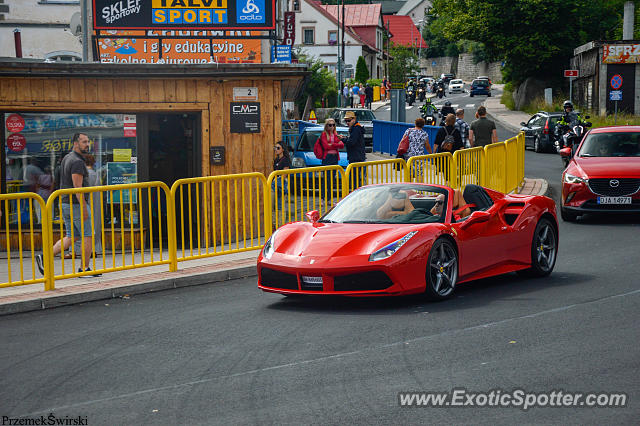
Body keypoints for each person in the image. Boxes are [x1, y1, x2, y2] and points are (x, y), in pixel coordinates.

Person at [36, 133, 100, 277]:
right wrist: (84, 207)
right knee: (88, 235)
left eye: (88, 141)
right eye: (84, 142)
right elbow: (78, 187)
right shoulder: (77, 161)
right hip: (76, 204)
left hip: (66, 203)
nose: (87, 144)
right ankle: (84, 269)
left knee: (73, 236)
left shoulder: (67, 158)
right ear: (75, 143)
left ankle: (44, 257)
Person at [339, 111, 366, 188]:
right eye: (346, 121)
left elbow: (352, 142)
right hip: (357, 157)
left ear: (354, 119)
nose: (347, 123)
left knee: (355, 181)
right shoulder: (356, 128)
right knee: (355, 180)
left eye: (349, 120)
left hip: (356, 158)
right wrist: (345, 138)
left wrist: (343, 139)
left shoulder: (356, 129)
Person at [272, 140, 291, 214]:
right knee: (273, 205)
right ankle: (274, 223)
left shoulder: (285, 160)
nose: (276, 150)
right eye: (275, 148)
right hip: (275, 182)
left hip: (281, 182)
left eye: (278, 148)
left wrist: (279, 184)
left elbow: (285, 173)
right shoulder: (276, 160)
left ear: (283, 149)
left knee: (280, 205)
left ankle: (280, 222)